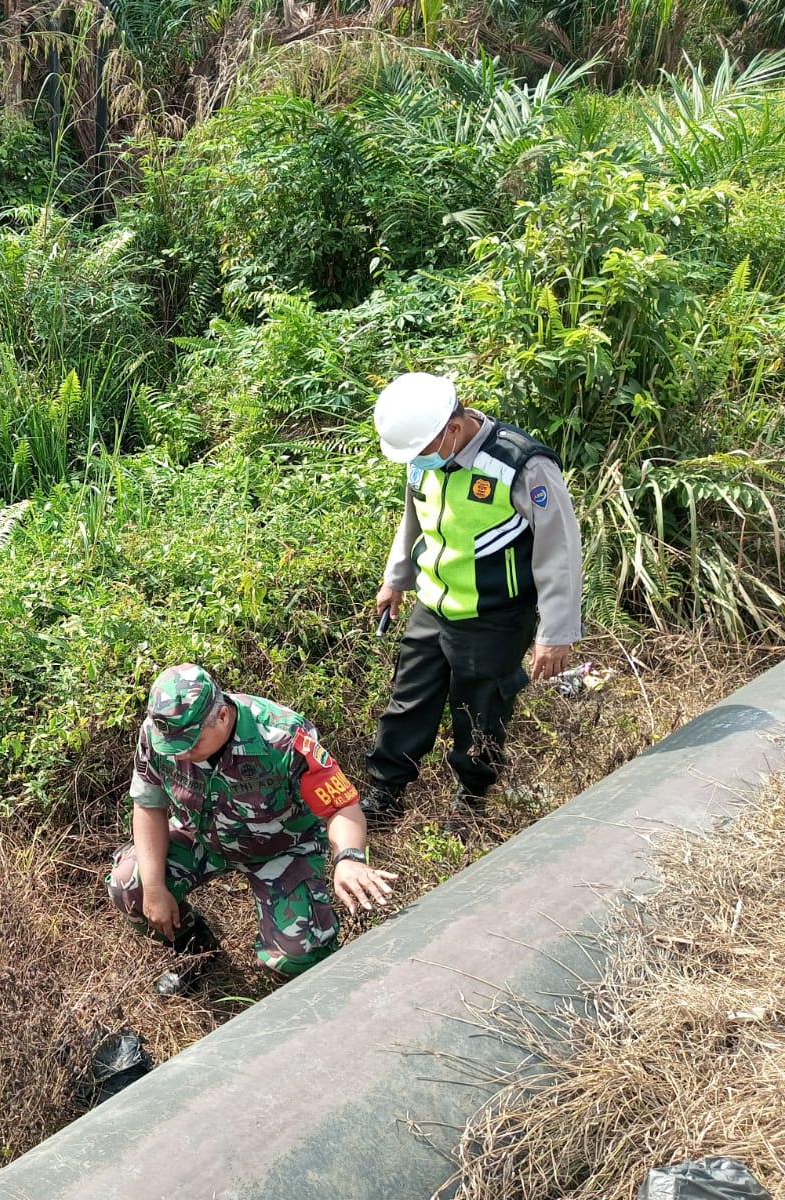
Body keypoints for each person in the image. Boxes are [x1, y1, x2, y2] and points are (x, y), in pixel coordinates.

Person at [363, 372, 583, 825]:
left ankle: (471, 803)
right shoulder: (424, 455)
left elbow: (559, 550)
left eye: (422, 451)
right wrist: (396, 579)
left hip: (494, 616)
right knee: (408, 702)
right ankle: (385, 794)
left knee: (479, 713)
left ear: (453, 429)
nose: (416, 461)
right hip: (434, 605)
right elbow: (414, 520)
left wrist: (555, 632)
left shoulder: (522, 465)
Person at [107, 664, 398, 994]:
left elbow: (341, 805)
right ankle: (198, 951)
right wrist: (156, 887)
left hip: (282, 846)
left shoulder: (283, 735)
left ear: (221, 715)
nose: (181, 753)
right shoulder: (160, 733)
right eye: (174, 746)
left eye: (192, 742)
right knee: (130, 884)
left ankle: (299, 964)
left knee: (298, 954)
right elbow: (148, 805)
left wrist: (348, 858)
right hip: (200, 835)